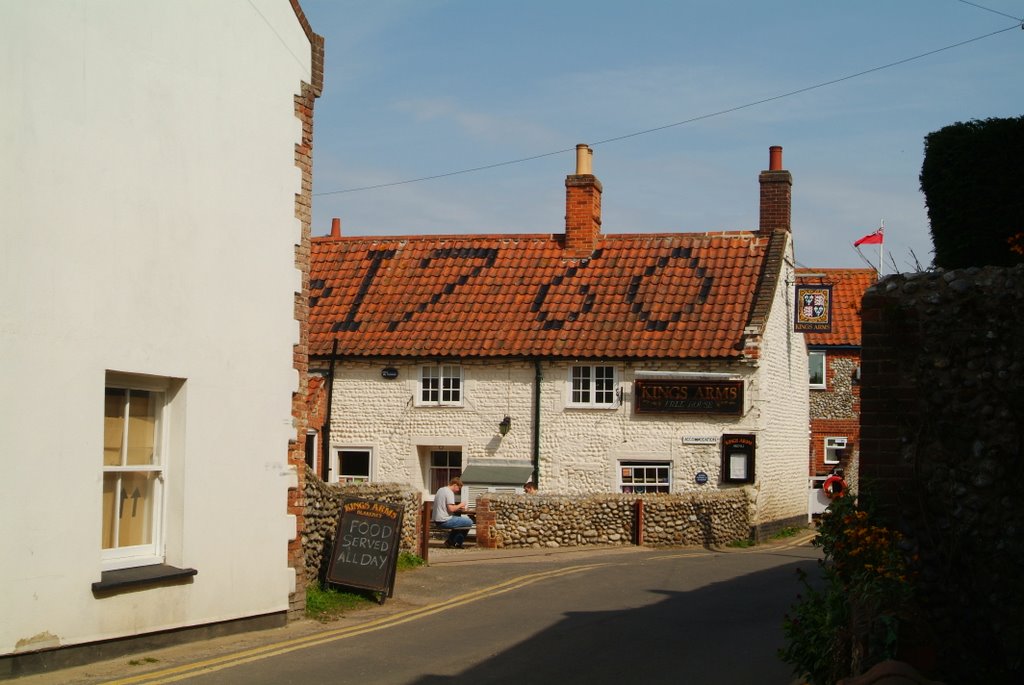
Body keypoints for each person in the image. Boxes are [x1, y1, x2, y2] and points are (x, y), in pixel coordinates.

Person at [432, 476, 473, 548]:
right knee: (469, 522)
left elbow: (446, 507)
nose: (458, 490)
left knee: (460, 521)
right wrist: (461, 504)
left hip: (437, 519)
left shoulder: (440, 489)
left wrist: (458, 508)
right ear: (455, 485)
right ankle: (457, 543)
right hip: (444, 521)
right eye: (458, 488)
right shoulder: (449, 492)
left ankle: (450, 541)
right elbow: (451, 509)